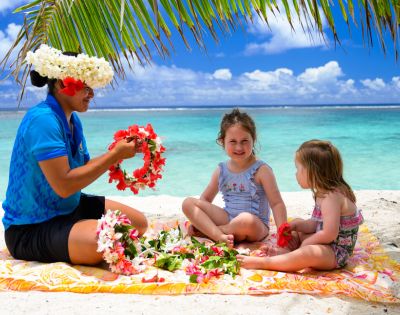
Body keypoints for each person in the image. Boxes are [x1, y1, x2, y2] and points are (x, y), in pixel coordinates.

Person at [2, 45, 148, 265]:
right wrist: (114, 155)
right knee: (104, 239)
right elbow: (65, 186)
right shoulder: (43, 120)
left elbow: (84, 166)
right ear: (62, 84)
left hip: (69, 208)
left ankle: (78, 234)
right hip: (31, 228)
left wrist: (118, 153)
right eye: (85, 86)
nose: (91, 93)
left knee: (139, 223)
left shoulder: (72, 120)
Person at [237, 139, 364, 271]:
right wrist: (296, 226)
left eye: (298, 169)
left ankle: (265, 263)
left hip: (336, 252)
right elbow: (316, 223)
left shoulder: (331, 198)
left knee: (308, 253)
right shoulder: (323, 193)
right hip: (327, 244)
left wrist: (306, 243)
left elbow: (329, 234)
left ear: (313, 171)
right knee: (297, 223)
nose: (296, 174)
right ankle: (286, 254)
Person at [182, 109, 287, 248]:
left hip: (255, 226)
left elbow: (276, 203)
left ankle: (214, 233)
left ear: (253, 139)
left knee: (245, 220)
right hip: (228, 217)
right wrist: (199, 219)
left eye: (244, 141)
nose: (239, 147)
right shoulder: (221, 170)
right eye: (233, 141)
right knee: (188, 203)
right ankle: (220, 236)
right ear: (222, 141)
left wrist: (282, 233)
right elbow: (205, 201)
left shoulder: (262, 170)